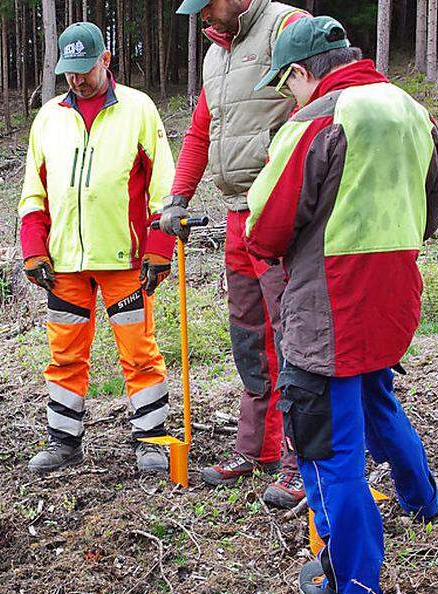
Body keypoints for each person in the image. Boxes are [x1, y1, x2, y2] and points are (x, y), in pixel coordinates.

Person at [244, 17, 438, 594]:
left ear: (304, 73)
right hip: (392, 304)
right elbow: (431, 212)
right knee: (378, 399)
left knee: (328, 449)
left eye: (288, 84)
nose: (290, 97)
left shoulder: (316, 121)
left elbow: (266, 227)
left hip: (327, 313)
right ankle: (423, 502)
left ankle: (355, 589)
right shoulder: (415, 112)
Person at [161, 0, 309, 508]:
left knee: (295, 337)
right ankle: (259, 448)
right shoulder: (215, 54)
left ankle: (300, 462)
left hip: (282, 207)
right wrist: (178, 197)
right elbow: (202, 129)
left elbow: (318, 104)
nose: (201, 17)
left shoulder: (286, 26)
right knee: (249, 335)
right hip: (236, 214)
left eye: (207, 5)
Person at [19, 21, 176, 475]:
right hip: (64, 263)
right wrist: (33, 247)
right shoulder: (48, 117)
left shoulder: (139, 109)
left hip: (124, 259)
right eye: (69, 71)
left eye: (84, 69)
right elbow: (34, 189)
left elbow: (162, 187)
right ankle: (63, 440)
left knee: (139, 351)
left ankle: (151, 440)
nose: (76, 79)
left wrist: (159, 246)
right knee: (64, 353)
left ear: (105, 61)